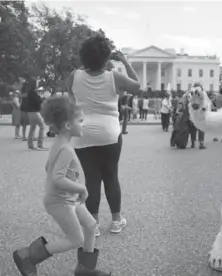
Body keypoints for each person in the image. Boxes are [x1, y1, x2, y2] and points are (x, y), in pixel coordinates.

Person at [12, 96, 111, 276]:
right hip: (60, 202)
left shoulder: (60, 143)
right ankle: (28, 256)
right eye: (80, 121)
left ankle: (85, 269)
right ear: (67, 125)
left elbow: (48, 167)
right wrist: (81, 188)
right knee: (76, 239)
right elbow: (57, 178)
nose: (83, 124)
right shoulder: (65, 148)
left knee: (90, 225)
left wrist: (72, 185)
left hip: (67, 198)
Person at [66, 34, 140, 236]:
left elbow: (72, 97)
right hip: (109, 132)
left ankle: (93, 223)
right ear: (106, 57)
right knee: (111, 176)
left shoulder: (74, 76)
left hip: (83, 131)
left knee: (91, 178)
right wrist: (124, 61)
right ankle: (116, 219)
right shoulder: (113, 76)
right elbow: (137, 84)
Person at [23, 78, 47, 150]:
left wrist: (40, 99)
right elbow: (38, 101)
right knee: (42, 126)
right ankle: (40, 144)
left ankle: (30, 145)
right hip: (34, 112)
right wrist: (42, 98)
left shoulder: (30, 92)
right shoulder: (32, 92)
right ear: (34, 84)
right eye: (37, 83)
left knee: (32, 128)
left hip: (30, 112)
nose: (38, 84)